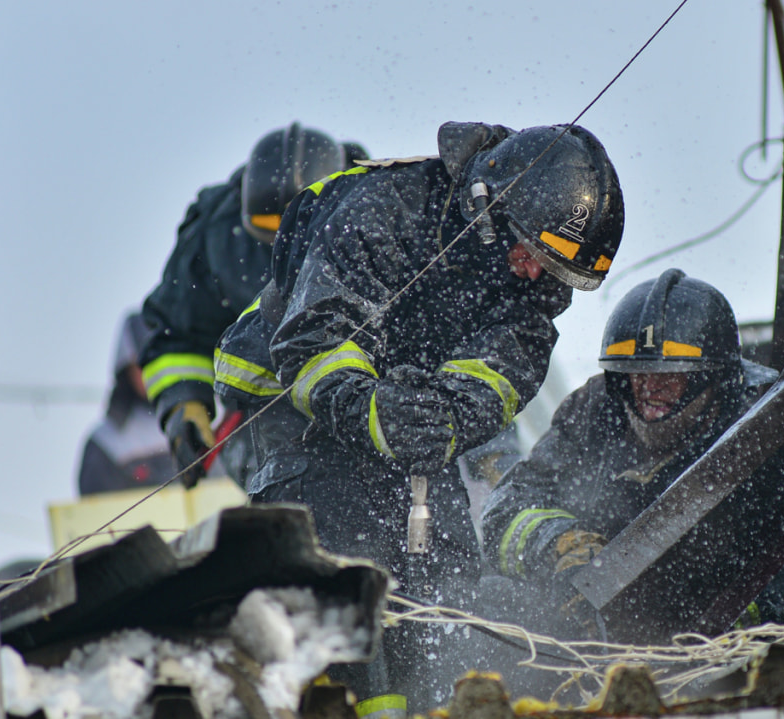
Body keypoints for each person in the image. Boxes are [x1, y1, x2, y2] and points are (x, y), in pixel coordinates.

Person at [213, 121, 624, 714]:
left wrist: (447, 416)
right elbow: (312, 338)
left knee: (446, 576)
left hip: (406, 431)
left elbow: (506, 373)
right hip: (294, 405)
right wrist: (376, 409)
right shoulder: (386, 209)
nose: (535, 274)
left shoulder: (533, 286)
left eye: (554, 269)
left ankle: (428, 702)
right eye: (531, 252)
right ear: (491, 205)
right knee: (341, 560)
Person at [481, 269, 784, 641]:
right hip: (586, 629)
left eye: (669, 373)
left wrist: (704, 635)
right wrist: (562, 545)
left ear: (710, 379)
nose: (648, 387)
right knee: (488, 601)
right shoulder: (592, 410)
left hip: (704, 644)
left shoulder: (761, 423)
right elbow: (506, 511)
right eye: (635, 372)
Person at [139, 123, 368, 488]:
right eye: (269, 227)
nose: (285, 240)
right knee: (287, 497)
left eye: (302, 224)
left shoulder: (380, 208)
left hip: (364, 397)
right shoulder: (214, 236)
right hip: (261, 413)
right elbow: (178, 336)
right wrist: (185, 405)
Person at [78, 311, 179, 495]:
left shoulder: (211, 419)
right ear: (126, 369)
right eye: (143, 364)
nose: (153, 373)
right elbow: (96, 516)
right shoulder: (108, 442)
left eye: (159, 361)